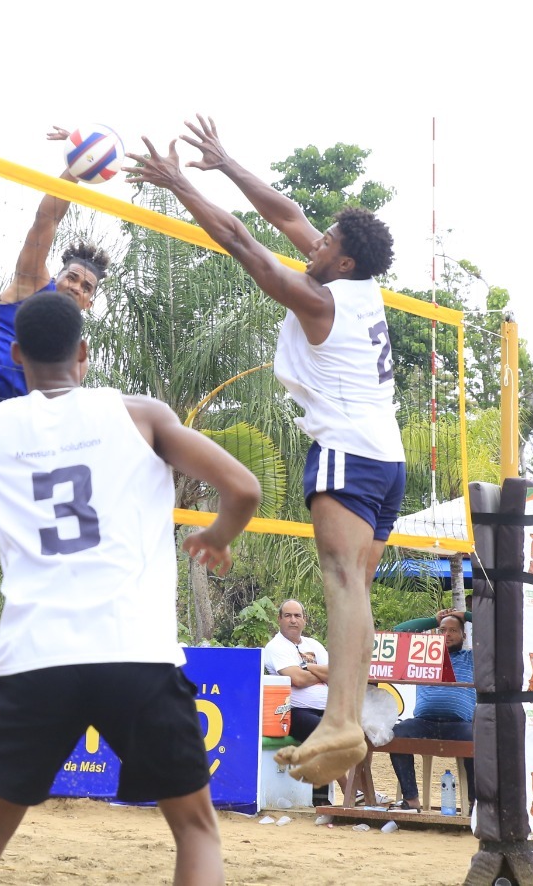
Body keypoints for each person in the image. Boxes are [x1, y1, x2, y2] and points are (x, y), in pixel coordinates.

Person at [0, 291, 260, 886]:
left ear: (16, 354)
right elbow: (244, 489)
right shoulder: (142, 415)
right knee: (196, 832)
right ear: (83, 352)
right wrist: (217, 535)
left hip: (35, 657)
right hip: (135, 653)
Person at [126, 118, 403, 785]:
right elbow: (288, 215)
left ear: (342, 261)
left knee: (341, 583)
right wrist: (226, 162)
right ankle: (345, 719)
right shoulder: (357, 284)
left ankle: (341, 720)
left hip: (346, 452)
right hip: (387, 458)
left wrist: (179, 182)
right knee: (355, 587)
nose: (316, 241)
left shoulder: (317, 298)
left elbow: (241, 239)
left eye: (327, 242)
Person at [0, 126, 108, 690]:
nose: (76, 285)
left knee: (51, 543)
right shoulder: (26, 287)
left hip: (19, 441)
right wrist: (73, 170)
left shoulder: (71, 350)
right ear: (57, 277)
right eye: (72, 276)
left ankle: (54, 641)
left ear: (90, 302)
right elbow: (44, 222)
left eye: (86, 286)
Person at [386, 614, 476, 810]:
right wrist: (434, 620)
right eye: (442, 630)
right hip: (424, 722)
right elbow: (398, 632)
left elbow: (494, 628)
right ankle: (411, 799)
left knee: (480, 740)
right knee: (396, 735)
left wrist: (465, 616)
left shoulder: (472, 658)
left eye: (453, 630)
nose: (447, 634)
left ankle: (474, 803)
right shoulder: (424, 655)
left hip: (460, 726)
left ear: (464, 635)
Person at [262, 600, 336, 803]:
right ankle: (349, 793)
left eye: (297, 616)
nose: (293, 620)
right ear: (279, 619)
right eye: (287, 616)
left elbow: (336, 673)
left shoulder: (314, 645)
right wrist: (319, 673)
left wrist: (307, 667)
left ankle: (359, 792)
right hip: (294, 712)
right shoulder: (275, 647)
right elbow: (298, 680)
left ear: (304, 620)